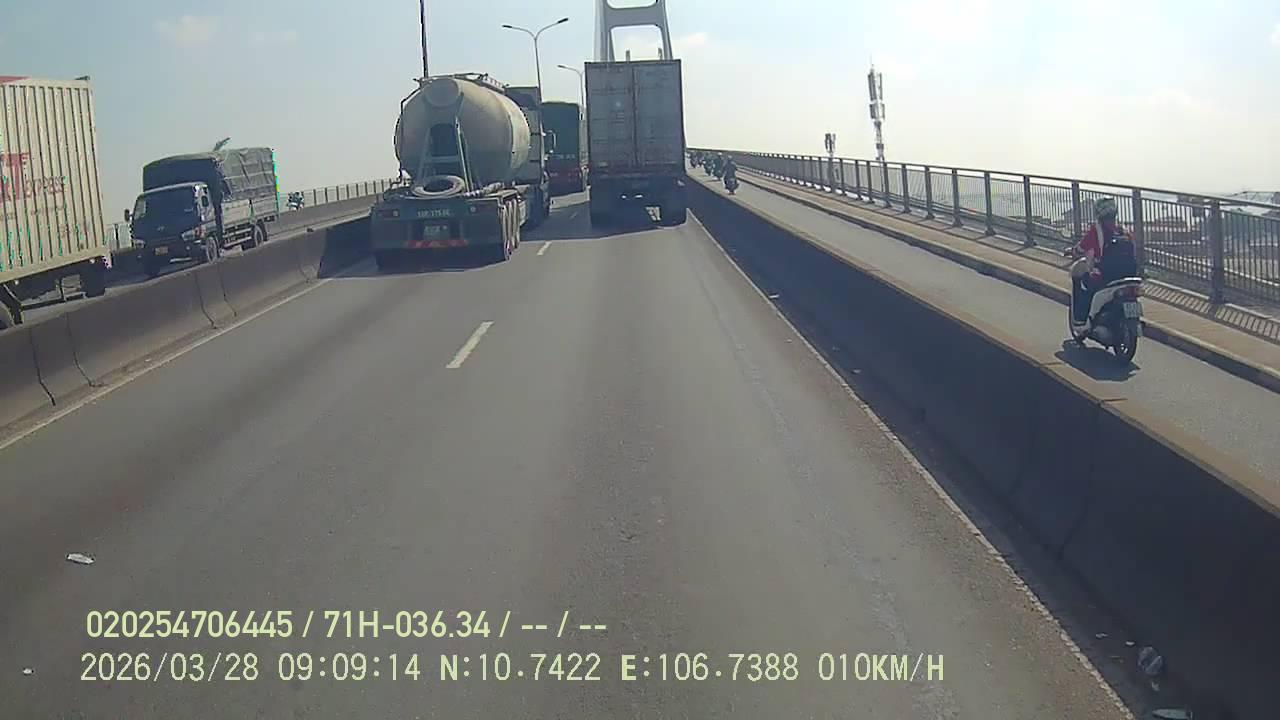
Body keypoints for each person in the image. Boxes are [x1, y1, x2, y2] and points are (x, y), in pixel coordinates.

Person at [1071, 197, 1136, 323]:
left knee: (1083, 283)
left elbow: (1082, 247)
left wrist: (1074, 251)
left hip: (1106, 274)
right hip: (1128, 274)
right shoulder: (1123, 230)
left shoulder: (1097, 230)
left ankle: (1081, 319)